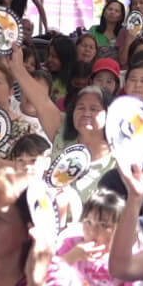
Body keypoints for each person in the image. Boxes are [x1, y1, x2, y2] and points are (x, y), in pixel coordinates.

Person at [10, 45, 115, 203]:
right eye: (81, 107)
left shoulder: (119, 153)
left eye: (94, 109)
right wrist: (18, 68)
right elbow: (42, 101)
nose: (86, 113)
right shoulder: (62, 131)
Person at [57, 189, 143, 286]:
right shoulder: (70, 245)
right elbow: (51, 277)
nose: (92, 231)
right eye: (88, 222)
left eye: (103, 225)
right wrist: (71, 257)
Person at [118, 0, 143, 66]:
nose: (138, 6)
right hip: (130, 72)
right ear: (131, 8)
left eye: (142, 2)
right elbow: (122, 61)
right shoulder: (124, 31)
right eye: (134, 3)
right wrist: (128, 42)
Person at [46, 36, 77, 103]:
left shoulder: (75, 81)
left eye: (54, 56)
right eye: (49, 55)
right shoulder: (45, 76)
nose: (49, 59)